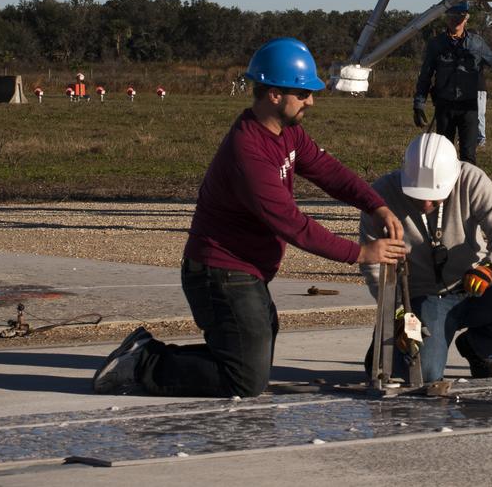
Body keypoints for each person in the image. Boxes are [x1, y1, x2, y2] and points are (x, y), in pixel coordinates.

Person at [92, 37, 407, 396]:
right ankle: (141, 364)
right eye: (302, 94)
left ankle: (145, 354)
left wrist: (375, 204)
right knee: (244, 380)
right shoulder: (249, 153)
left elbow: (327, 170)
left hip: (244, 271)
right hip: (220, 273)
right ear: (274, 94)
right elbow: (293, 225)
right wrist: (361, 253)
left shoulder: (286, 133)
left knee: (248, 356)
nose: (311, 101)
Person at [360, 132, 492, 382]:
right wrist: (395, 314)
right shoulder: (383, 195)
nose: (426, 202)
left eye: (434, 195)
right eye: (418, 193)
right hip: (422, 298)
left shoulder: (470, 179)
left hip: (473, 286)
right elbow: (374, 266)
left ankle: (477, 348)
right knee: (425, 375)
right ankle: (387, 348)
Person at [414, 2, 492, 164]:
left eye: (460, 18)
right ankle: (447, 188)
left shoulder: (476, 43)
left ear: (466, 19)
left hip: (468, 107)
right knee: (443, 155)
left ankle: (467, 186)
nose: (456, 21)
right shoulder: (436, 44)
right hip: (444, 106)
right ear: (446, 19)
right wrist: (419, 105)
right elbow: (426, 75)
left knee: (468, 156)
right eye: (452, 17)